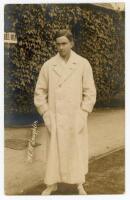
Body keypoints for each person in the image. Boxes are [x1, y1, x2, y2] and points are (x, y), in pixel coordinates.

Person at [34, 29, 96, 195]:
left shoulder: (83, 64)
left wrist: (83, 114)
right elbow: (39, 92)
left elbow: (90, 92)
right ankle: (52, 183)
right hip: (55, 117)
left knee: (76, 150)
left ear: (72, 43)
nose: (60, 47)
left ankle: (78, 183)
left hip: (75, 117)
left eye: (64, 43)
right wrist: (46, 114)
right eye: (58, 44)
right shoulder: (48, 65)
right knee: (54, 152)